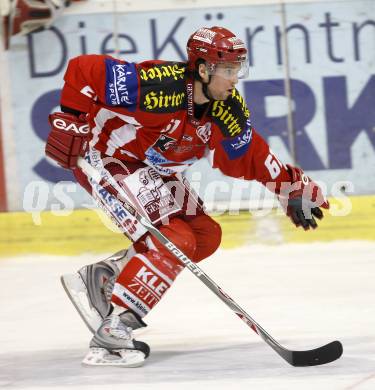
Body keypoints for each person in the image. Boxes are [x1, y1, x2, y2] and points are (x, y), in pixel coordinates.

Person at [45, 26, 329, 367]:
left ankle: (104, 278)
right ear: (203, 68)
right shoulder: (159, 87)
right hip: (107, 156)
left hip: (152, 169)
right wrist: (71, 120)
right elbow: (83, 69)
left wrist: (288, 185)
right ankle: (115, 328)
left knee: (205, 236)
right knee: (175, 238)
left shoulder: (227, 108)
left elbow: (247, 153)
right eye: (227, 69)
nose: (234, 78)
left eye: (238, 68)